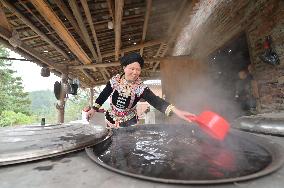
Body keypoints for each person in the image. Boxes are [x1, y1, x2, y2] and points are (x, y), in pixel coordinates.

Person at [86, 52, 195, 128]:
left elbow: (155, 100)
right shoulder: (115, 81)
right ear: (124, 68)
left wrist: (176, 111)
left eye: (138, 69)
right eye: (132, 69)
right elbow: (104, 94)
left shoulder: (140, 88)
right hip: (111, 118)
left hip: (130, 121)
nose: (135, 72)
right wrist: (93, 109)